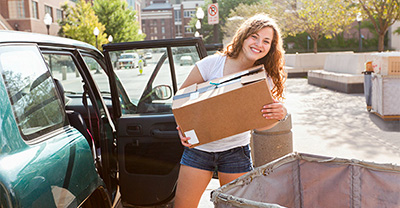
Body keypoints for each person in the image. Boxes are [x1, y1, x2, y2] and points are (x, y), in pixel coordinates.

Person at [174, 13, 287, 208]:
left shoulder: (263, 78)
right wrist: (182, 128)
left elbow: (265, 120)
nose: (259, 44)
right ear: (244, 36)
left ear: (270, 48)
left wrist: (280, 115)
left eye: (266, 41)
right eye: (255, 37)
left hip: (236, 152)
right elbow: (180, 101)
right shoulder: (211, 65)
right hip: (199, 150)